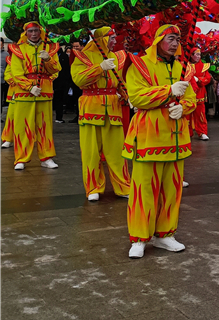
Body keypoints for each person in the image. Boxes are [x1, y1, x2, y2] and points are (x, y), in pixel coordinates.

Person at [123, 25, 196, 258]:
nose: (175, 44)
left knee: (171, 190)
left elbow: (192, 98)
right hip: (149, 138)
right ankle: (139, 238)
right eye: (170, 39)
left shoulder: (183, 68)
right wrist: (168, 91)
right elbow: (136, 97)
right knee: (143, 189)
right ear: (158, 41)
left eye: (177, 40)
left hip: (176, 139)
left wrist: (184, 108)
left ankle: (165, 234)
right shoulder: (140, 65)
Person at [71, 27, 131, 202]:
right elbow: (79, 80)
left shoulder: (117, 57)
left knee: (117, 151)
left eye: (114, 37)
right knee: (91, 152)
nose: (114, 41)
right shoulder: (83, 56)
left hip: (113, 108)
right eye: (111, 38)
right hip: (91, 108)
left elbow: (121, 82)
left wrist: (129, 96)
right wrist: (99, 68)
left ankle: (123, 186)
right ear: (102, 39)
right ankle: (93, 187)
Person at [9, 21, 60, 170]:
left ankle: (47, 157)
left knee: (45, 126)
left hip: (44, 91)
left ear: (40, 32)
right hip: (24, 93)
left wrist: (48, 60)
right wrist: (29, 87)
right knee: (23, 126)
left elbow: (56, 69)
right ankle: (21, 158)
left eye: (36, 30)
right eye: (30, 31)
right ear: (25, 33)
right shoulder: (19, 49)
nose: (33, 34)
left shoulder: (50, 48)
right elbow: (16, 73)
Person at [190, 48, 211, 140]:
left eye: (199, 55)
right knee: (187, 115)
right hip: (187, 93)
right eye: (196, 54)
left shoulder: (203, 66)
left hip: (200, 93)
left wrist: (198, 79)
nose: (199, 57)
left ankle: (202, 132)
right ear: (191, 55)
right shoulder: (185, 65)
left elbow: (208, 79)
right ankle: (187, 133)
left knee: (200, 114)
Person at [52, 45, 72, 123]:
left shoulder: (64, 56)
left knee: (59, 100)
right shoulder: (50, 55)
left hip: (61, 82)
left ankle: (59, 117)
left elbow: (67, 70)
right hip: (51, 81)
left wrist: (67, 82)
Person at [1, 50, 15, 147]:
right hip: (16, 91)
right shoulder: (12, 58)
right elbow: (7, 74)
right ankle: (8, 138)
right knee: (12, 115)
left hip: (33, 92)